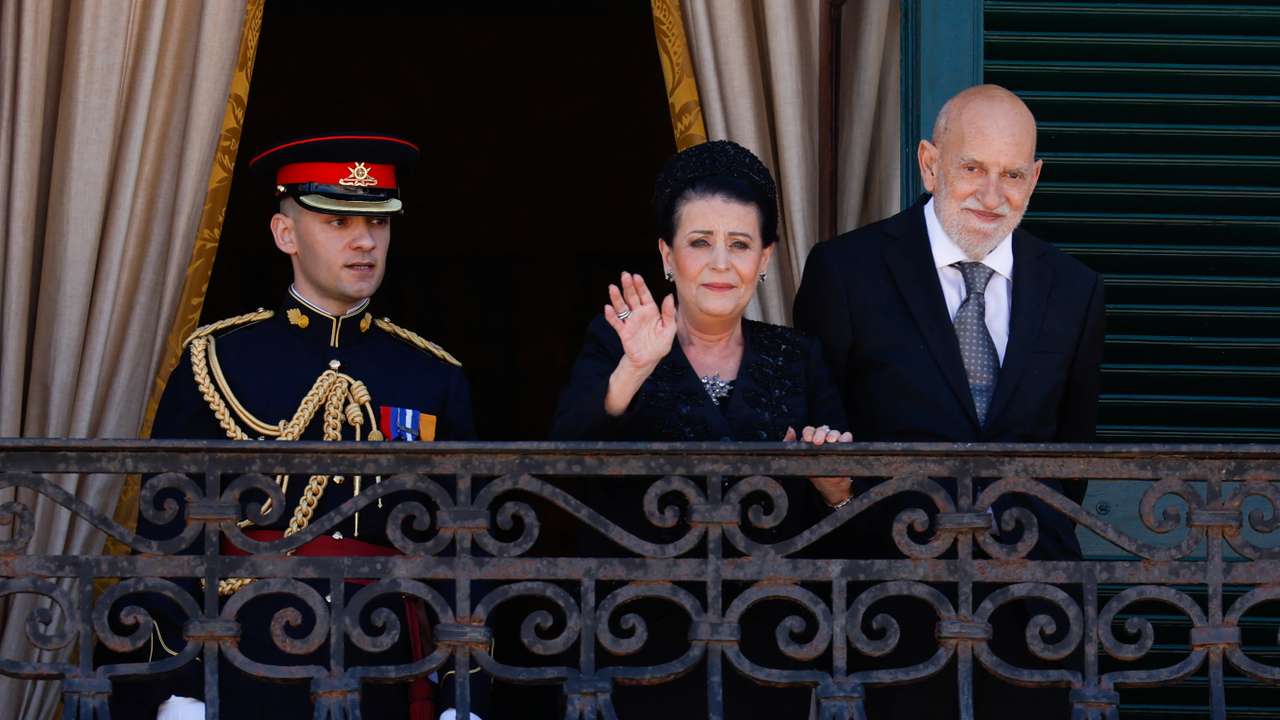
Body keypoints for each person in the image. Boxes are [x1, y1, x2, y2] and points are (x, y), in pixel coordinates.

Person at [105, 133, 481, 720]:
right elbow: (170, 533)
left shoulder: (431, 374)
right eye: (337, 221)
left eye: (378, 222)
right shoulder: (219, 358)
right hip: (246, 655)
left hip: (384, 660)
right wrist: (178, 688)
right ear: (286, 235)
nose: (365, 240)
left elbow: (465, 550)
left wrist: (463, 695)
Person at [793, 85, 1105, 718]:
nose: (992, 195)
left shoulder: (1076, 289)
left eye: (1012, 175)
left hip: (1035, 617)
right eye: (972, 168)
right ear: (930, 164)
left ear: (1034, 179)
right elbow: (819, 446)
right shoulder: (845, 270)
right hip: (885, 612)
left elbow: (1072, 457)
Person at [551, 140, 854, 718]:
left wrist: (835, 487)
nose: (720, 263)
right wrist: (633, 369)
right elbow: (563, 466)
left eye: (740, 244)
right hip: (637, 639)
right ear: (667, 255)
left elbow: (844, 504)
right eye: (699, 242)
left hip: (773, 645)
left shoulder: (797, 357)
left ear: (765, 258)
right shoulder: (616, 343)